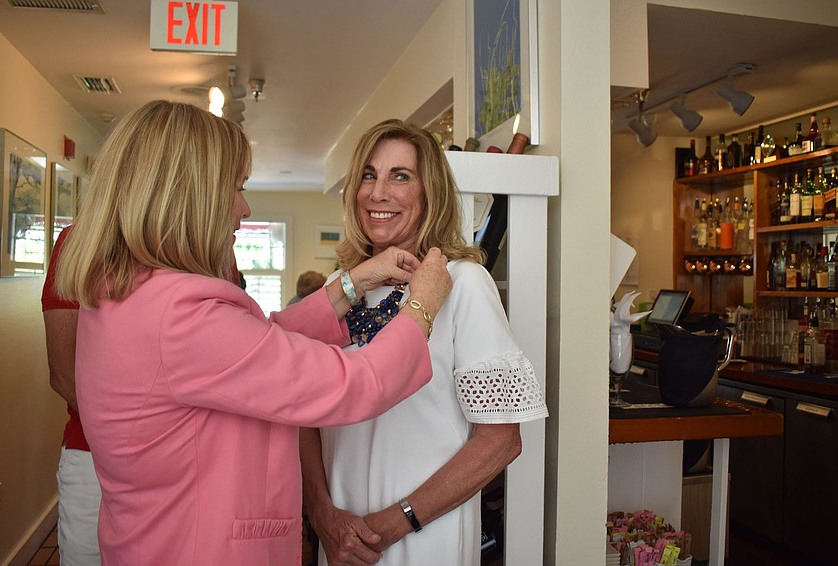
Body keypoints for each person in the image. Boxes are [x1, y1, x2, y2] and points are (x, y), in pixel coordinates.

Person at [53, 100, 453, 565]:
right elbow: (352, 383)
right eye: (236, 188)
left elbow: (254, 342)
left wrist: (351, 283)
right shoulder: (182, 315)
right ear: (191, 196)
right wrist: (422, 305)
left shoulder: (123, 294)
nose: (244, 207)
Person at [299, 119, 549, 566]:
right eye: (368, 175)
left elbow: (502, 441)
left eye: (400, 176)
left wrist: (389, 525)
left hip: (423, 542)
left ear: (429, 191)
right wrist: (322, 515)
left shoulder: (464, 284)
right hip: (339, 545)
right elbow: (304, 415)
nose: (378, 193)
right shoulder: (341, 288)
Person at [41, 226, 101, 565]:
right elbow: (64, 374)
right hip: (94, 457)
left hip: (185, 462)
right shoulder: (79, 242)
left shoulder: (207, 242)